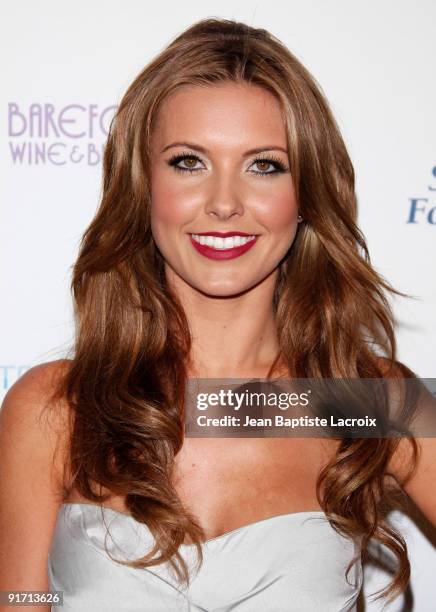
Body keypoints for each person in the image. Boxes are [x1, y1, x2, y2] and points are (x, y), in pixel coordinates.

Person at [1, 17, 435, 612]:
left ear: (306, 196)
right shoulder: (55, 408)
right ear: (142, 185)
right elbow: (18, 598)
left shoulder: (369, 401)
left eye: (264, 165)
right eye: (188, 162)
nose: (225, 203)